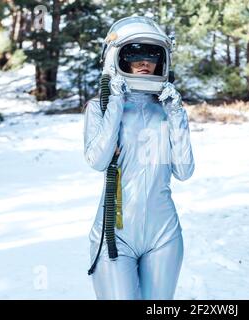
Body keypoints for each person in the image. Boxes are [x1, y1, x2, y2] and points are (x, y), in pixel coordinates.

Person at [83, 16, 195, 300]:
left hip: (165, 235)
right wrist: (116, 103)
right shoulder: (100, 107)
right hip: (115, 235)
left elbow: (184, 170)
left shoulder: (168, 109)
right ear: (117, 58)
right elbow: (97, 160)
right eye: (134, 54)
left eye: (152, 54)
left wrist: (176, 114)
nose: (144, 62)